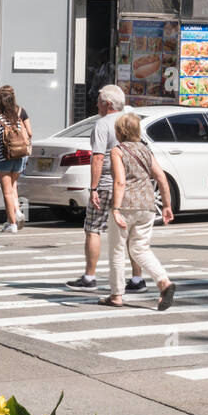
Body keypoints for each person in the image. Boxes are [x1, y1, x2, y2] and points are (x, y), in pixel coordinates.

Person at [66, 84, 143, 290]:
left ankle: (90, 277)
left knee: (93, 229)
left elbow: (98, 157)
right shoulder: (130, 121)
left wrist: (93, 188)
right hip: (127, 185)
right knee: (129, 232)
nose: (96, 103)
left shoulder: (102, 124)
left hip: (107, 185)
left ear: (108, 104)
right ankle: (137, 279)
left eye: (99, 100)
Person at [101, 112, 175, 310]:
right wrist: (166, 205)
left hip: (125, 204)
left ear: (120, 132)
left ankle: (116, 294)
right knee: (140, 248)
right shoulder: (145, 150)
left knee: (117, 249)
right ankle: (163, 282)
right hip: (148, 205)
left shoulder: (118, 151)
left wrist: (115, 208)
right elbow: (161, 177)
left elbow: (120, 181)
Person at [0, 84, 32, 234]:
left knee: (6, 192)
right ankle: (13, 217)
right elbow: (29, 132)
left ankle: (12, 224)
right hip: (19, 155)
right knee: (13, 187)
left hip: (3, 156)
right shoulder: (19, 112)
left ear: (0, 100)